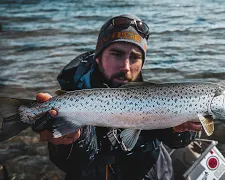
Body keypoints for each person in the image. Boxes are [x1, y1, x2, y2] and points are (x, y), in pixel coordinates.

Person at [34, 14, 202, 180]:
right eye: (117, 54)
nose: (126, 67)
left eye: (135, 57)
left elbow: (177, 142)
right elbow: (69, 164)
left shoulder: (157, 96)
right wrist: (72, 140)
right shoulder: (73, 100)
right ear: (98, 58)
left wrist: (179, 128)